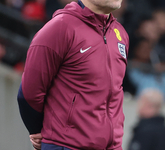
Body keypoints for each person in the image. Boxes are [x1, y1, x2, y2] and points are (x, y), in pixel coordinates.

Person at [17, 0, 129, 150]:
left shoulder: (120, 34)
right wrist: (39, 130)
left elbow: (115, 93)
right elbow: (29, 93)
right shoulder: (60, 27)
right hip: (67, 145)